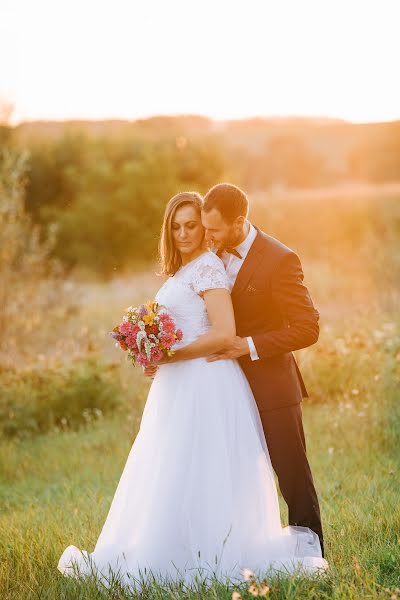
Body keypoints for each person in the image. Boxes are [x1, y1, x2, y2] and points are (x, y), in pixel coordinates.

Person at [57, 189, 327, 591]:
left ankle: (315, 557)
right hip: (206, 380)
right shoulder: (204, 262)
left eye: (204, 228)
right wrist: (152, 346)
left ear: (236, 222)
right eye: (183, 226)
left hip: (265, 381)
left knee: (291, 475)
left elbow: (303, 327)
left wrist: (229, 348)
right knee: (188, 468)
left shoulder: (275, 259)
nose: (201, 234)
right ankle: (183, 547)